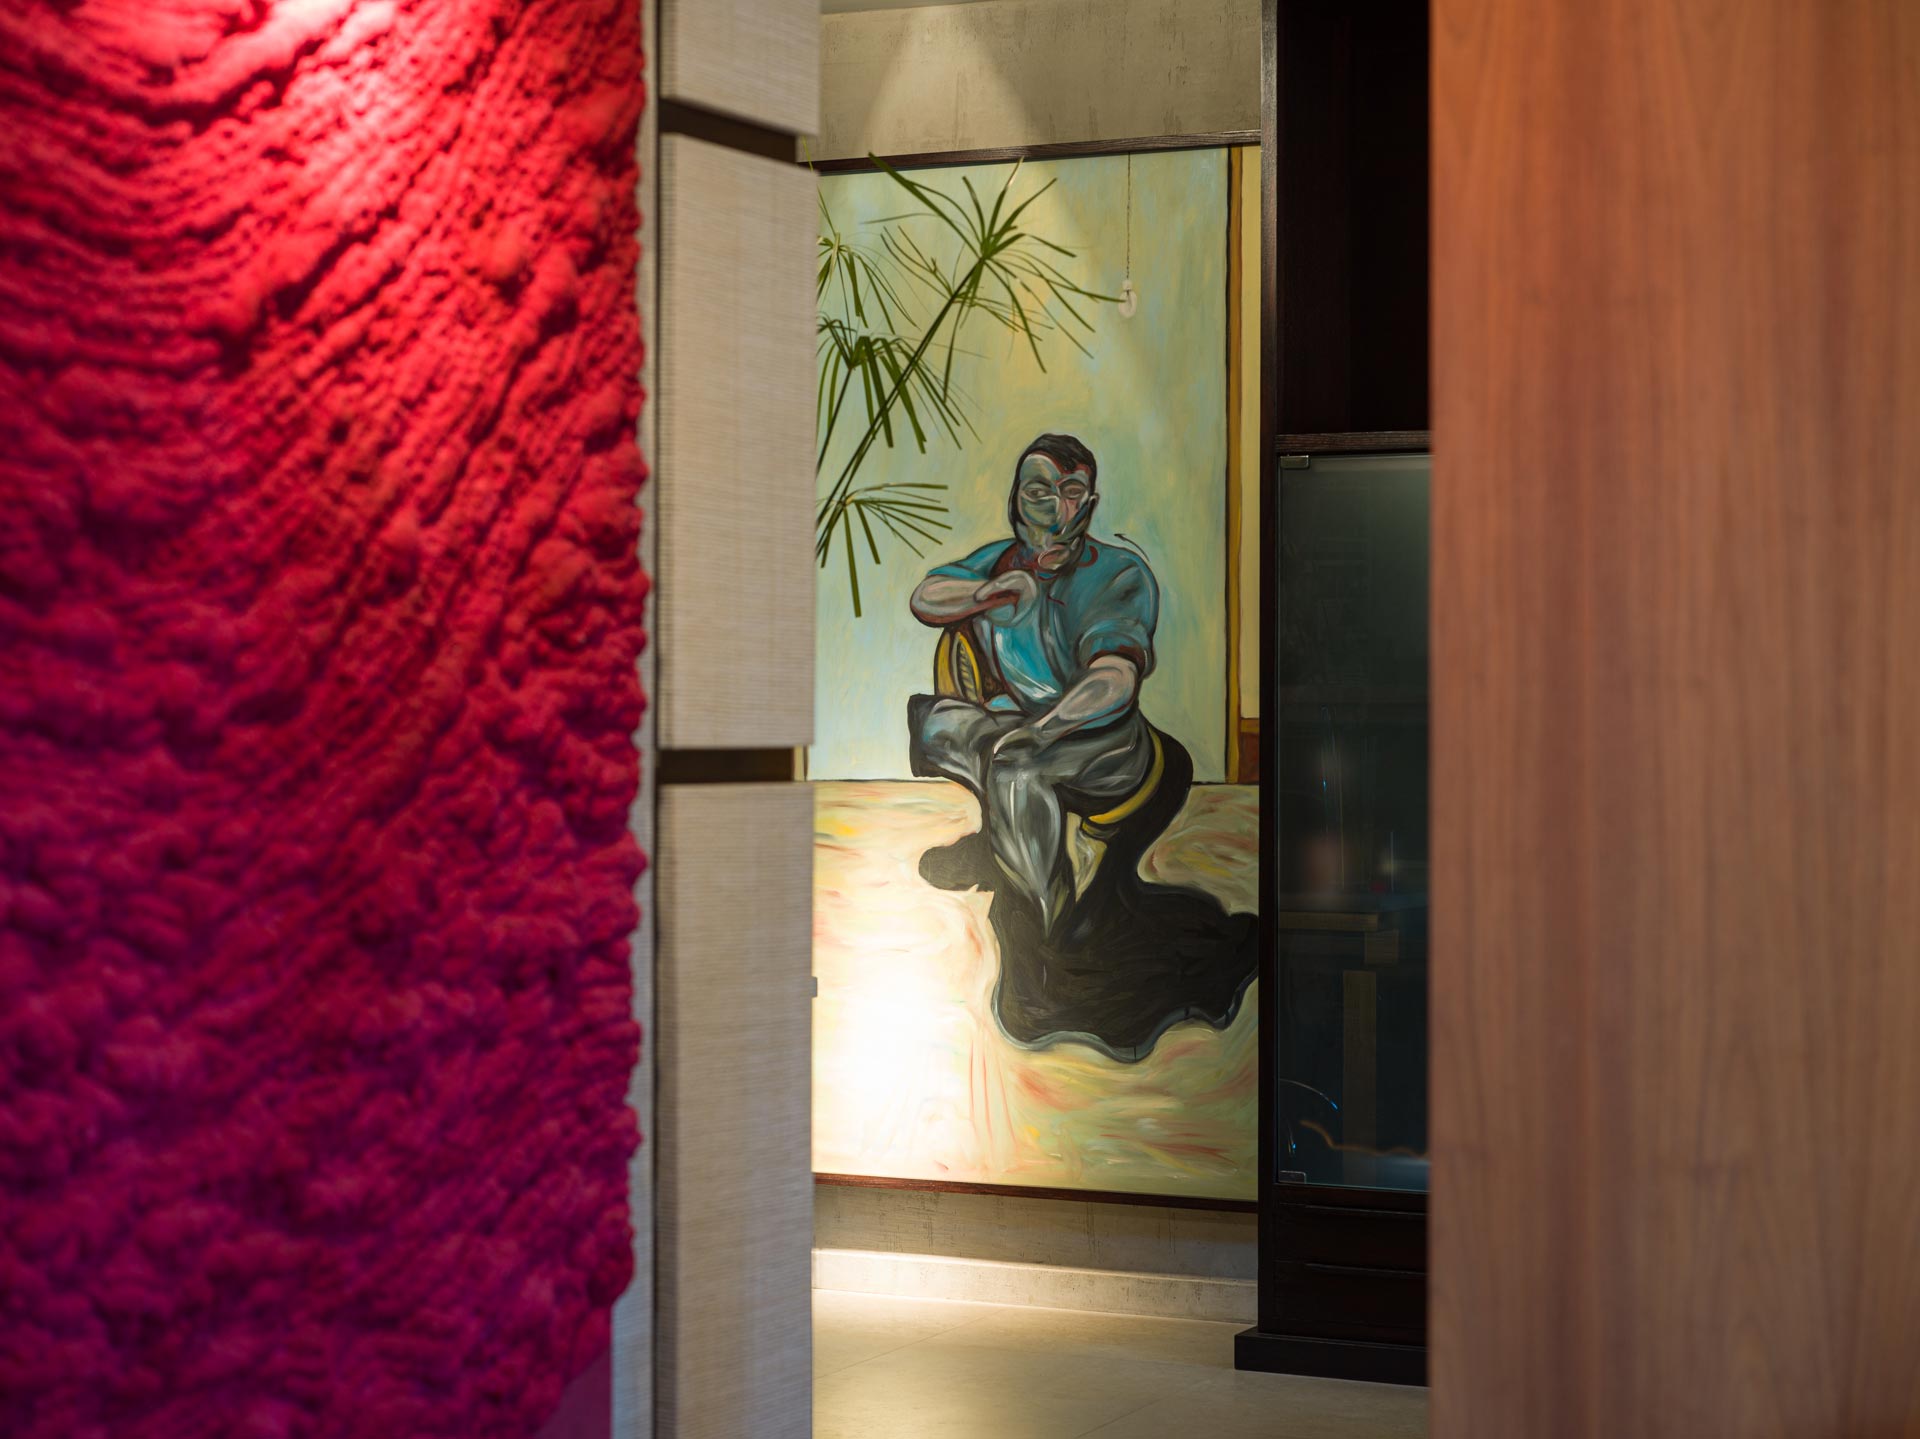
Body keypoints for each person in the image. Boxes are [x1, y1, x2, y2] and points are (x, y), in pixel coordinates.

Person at [907, 434, 1159, 937]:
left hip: (1099, 736)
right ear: (1016, 499)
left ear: (1090, 503)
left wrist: (1042, 732)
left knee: (1015, 771)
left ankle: (1041, 928)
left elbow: (1114, 680)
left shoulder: (1118, 573)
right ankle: (1005, 839)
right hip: (1014, 721)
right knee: (934, 726)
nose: (1054, 508)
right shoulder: (1003, 560)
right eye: (1039, 492)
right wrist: (989, 591)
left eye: (1071, 492)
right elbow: (925, 597)